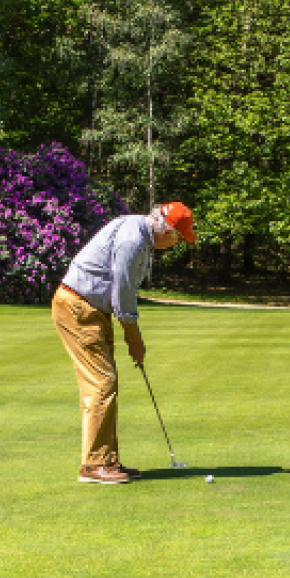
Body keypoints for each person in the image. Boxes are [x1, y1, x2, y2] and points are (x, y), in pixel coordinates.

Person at [55, 202, 195, 484]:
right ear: (166, 230)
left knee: (105, 382)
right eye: (178, 237)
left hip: (90, 307)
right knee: (102, 383)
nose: (175, 243)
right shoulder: (133, 239)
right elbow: (123, 291)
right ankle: (95, 465)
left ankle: (106, 460)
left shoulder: (137, 230)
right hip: (80, 307)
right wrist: (134, 337)